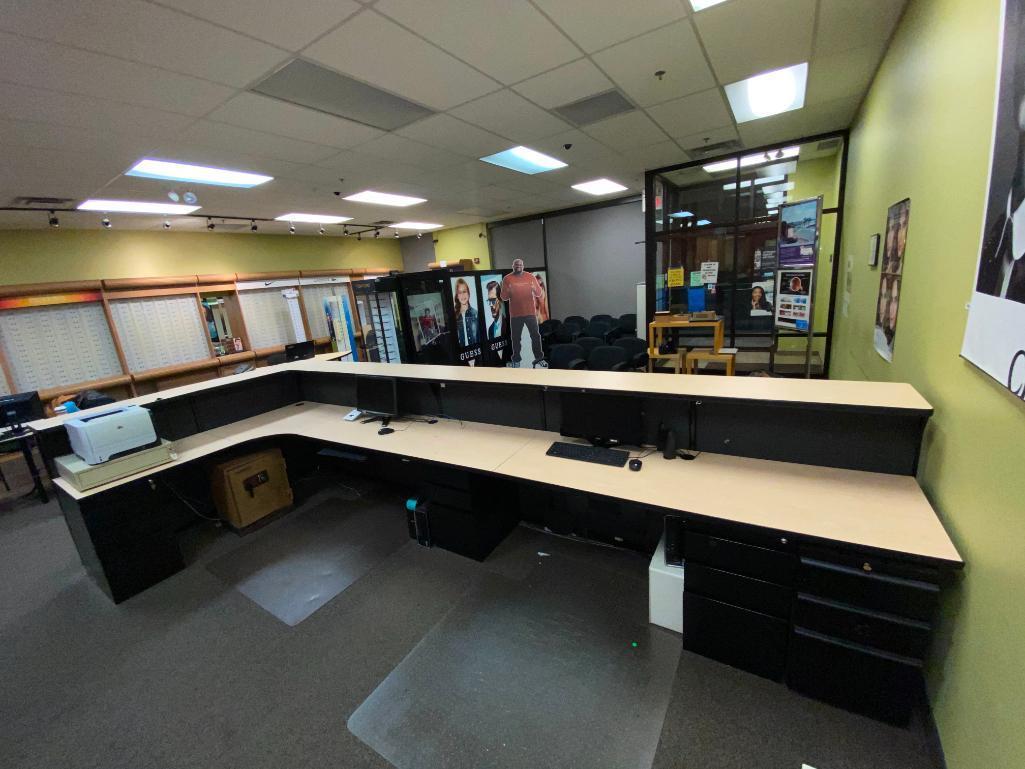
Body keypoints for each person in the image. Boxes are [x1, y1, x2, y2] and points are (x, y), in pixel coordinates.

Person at [501, 259, 547, 368]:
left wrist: (533, 288)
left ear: (523, 266)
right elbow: (503, 297)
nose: (518, 266)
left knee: (535, 336)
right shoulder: (507, 279)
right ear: (513, 266)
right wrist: (509, 290)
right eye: (516, 265)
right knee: (516, 338)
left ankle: (539, 358)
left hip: (530, 313)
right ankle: (516, 359)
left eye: (520, 265)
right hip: (515, 314)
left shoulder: (530, 277)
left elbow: (539, 293)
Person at [451, 277, 479, 347]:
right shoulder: (454, 316)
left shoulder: (476, 314)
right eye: (460, 292)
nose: (462, 295)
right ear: (457, 296)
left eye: (464, 291)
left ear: (468, 293)